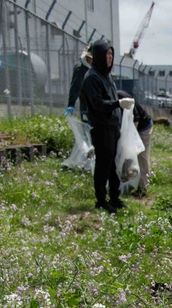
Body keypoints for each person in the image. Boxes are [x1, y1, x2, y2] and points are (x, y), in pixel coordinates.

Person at [80, 38, 135, 214]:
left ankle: (114, 197)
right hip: (102, 128)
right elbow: (98, 104)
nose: (110, 57)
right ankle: (101, 200)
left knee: (113, 165)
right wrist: (117, 104)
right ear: (98, 55)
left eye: (111, 54)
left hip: (112, 128)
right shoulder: (92, 78)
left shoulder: (106, 76)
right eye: (107, 54)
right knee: (103, 165)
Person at [117, 91, 153, 197]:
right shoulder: (109, 102)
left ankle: (143, 188)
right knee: (126, 156)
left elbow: (135, 119)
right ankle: (127, 184)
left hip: (143, 127)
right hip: (128, 129)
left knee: (142, 157)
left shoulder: (124, 98)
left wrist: (131, 139)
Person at [65, 46, 93, 117]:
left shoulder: (90, 68)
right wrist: (71, 104)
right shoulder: (80, 68)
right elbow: (76, 86)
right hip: (86, 108)